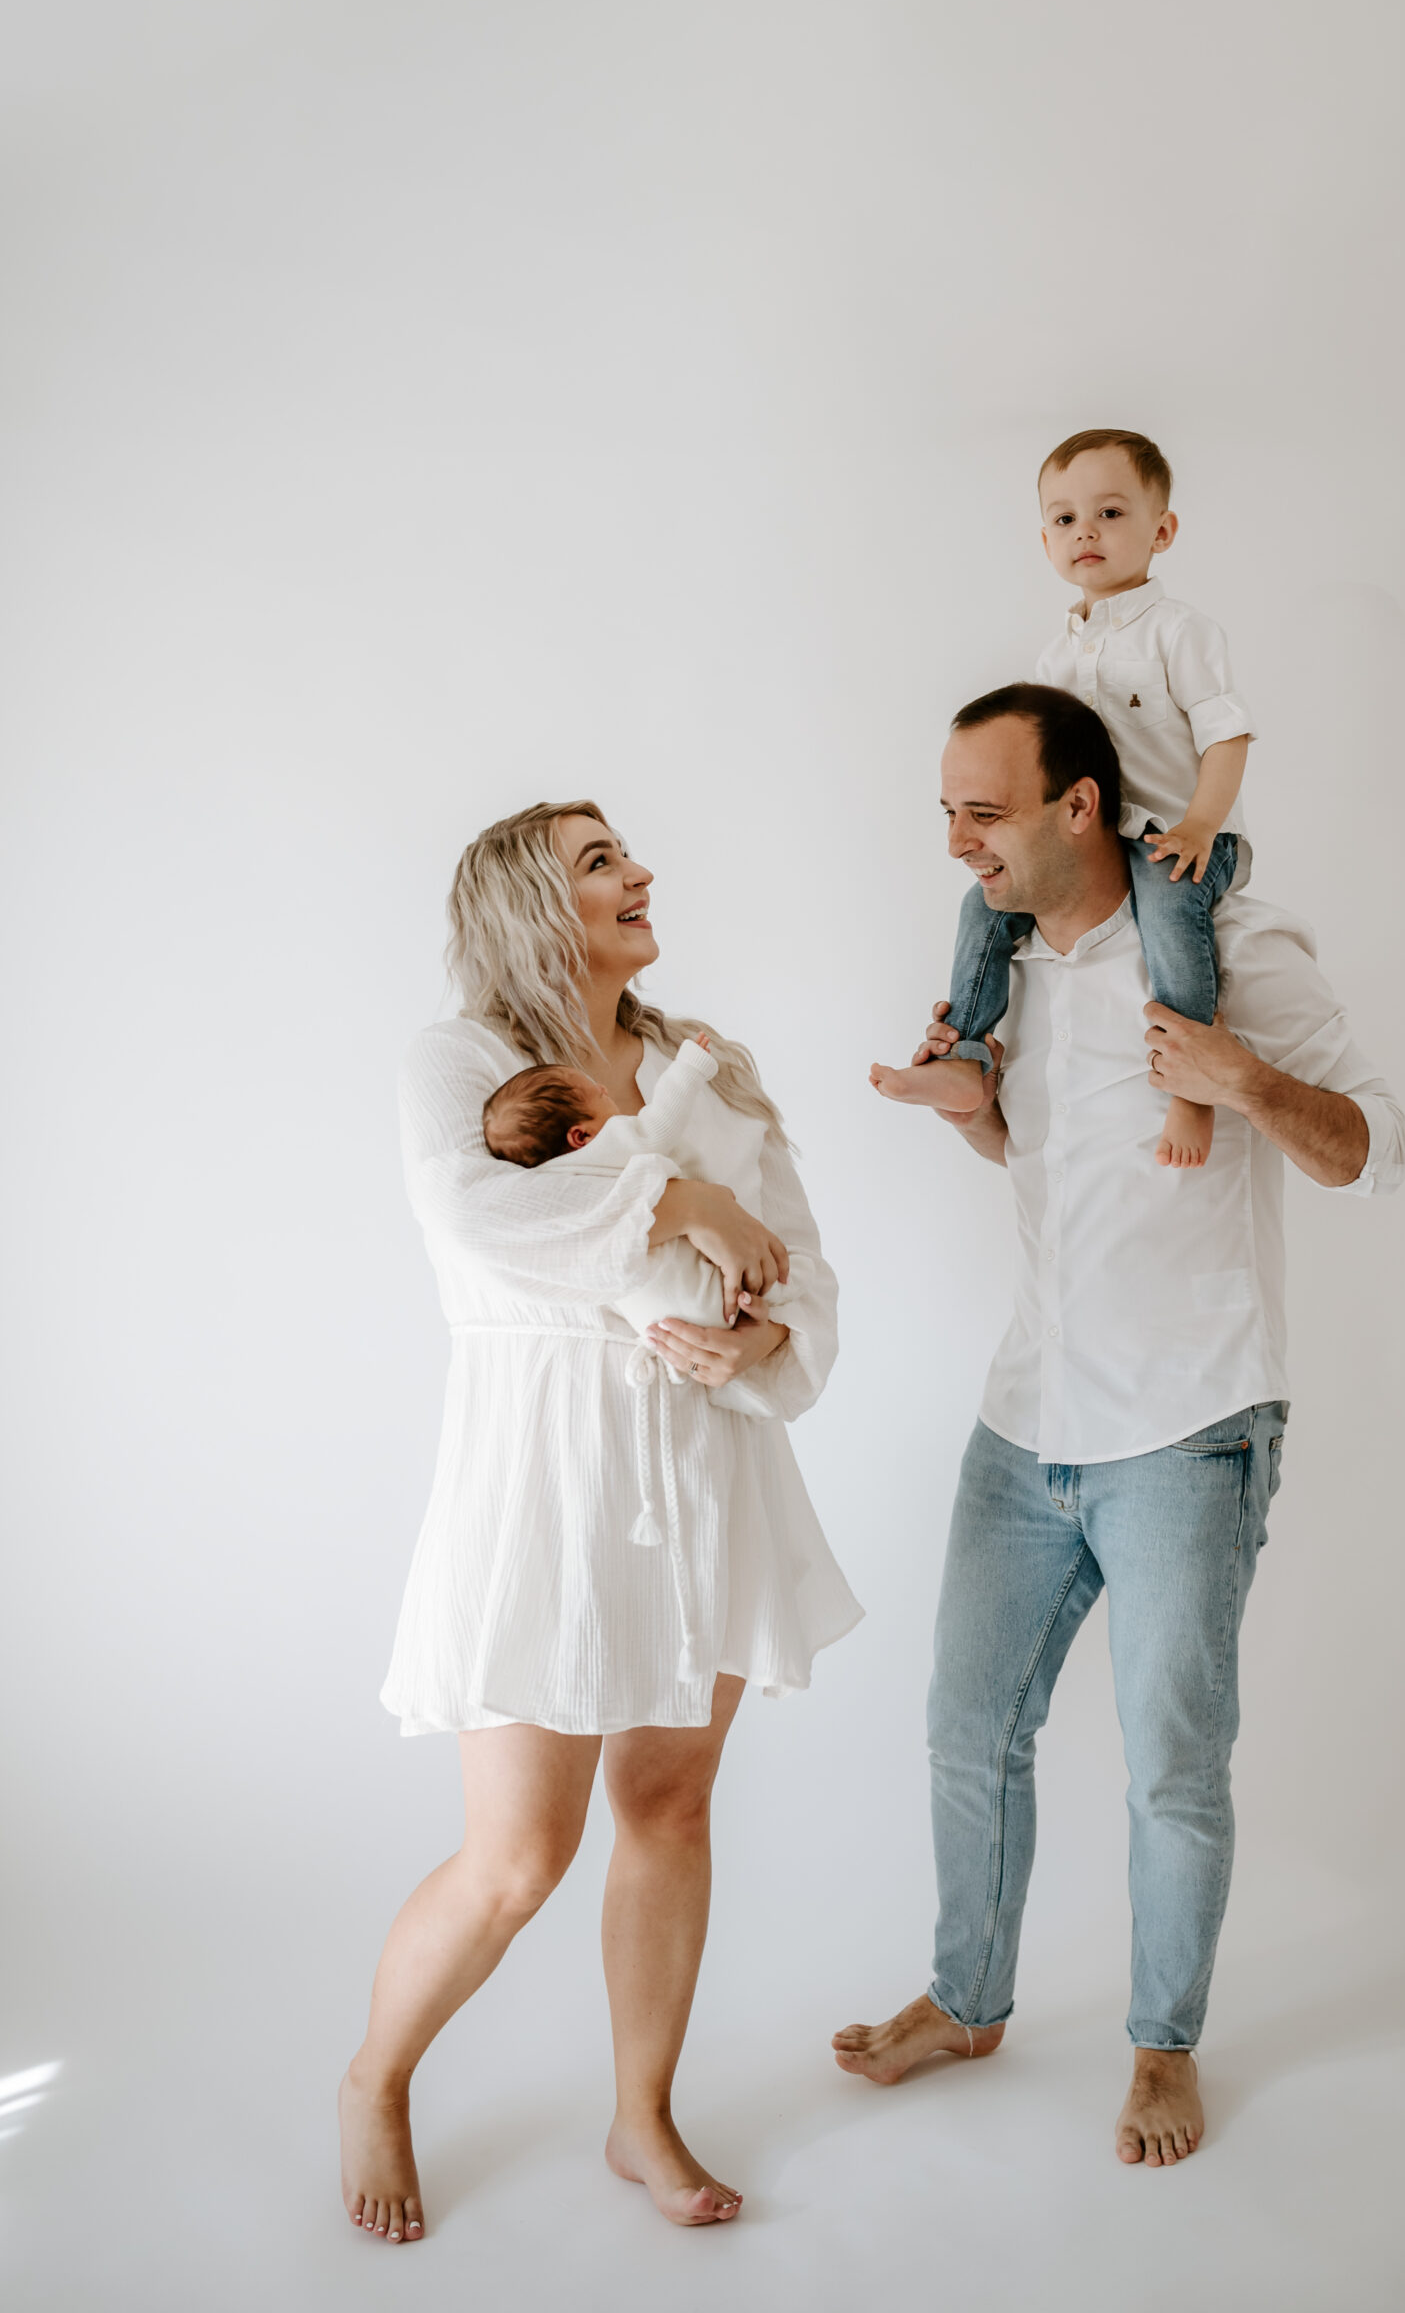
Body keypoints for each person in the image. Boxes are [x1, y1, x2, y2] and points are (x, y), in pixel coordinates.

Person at [835, 687, 1405, 2166]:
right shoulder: (1010, 967)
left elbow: (1374, 1148)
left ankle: (1163, 2046)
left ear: (1078, 805)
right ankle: (967, 2001)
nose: (956, 843)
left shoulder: (1229, 947)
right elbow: (1048, 1159)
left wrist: (1244, 1080)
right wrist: (967, 1111)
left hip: (1189, 1426)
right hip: (1026, 1417)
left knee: (1170, 1766)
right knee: (967, 1727)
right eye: (945, 813)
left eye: (983, 813)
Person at [339, 800, 861, 2243]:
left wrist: (764, 1339)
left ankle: (642, 2113)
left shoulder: (711, 1067)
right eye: (598, 862)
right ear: (526, 903)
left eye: (625, 853)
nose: (639, 874)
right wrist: (680, 1196)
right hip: (545, 1472)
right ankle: (375, 2078)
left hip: (704, 1459)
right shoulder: (460, 1061)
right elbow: (475, 1216)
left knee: (671, 1802)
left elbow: (802, 1263)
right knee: (518, 1857)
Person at [871, 429, 1255, 1169]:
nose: (1086, 532)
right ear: (1045, 540)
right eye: (1065, 518)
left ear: (1162, 531)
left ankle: (1191, 1084)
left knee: (1168, 911)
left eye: (1110, 513)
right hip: (1099, 841)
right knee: (983, 909)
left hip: (1180, 837)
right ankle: (967, 1055)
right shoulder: (1056, 658)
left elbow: (1226, 736)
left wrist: (1201, 825)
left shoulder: (1180, 633)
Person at [482, 1034, 809, 1383]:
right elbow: (659, 1126)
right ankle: (783, 1295)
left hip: (655, 1317)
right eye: (596, 1093)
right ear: (581, 1137)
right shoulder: (606, 1145)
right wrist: (689, 1067)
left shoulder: (547, 1182)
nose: (604, 1089)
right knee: (766, 1279)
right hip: (713, 1302)